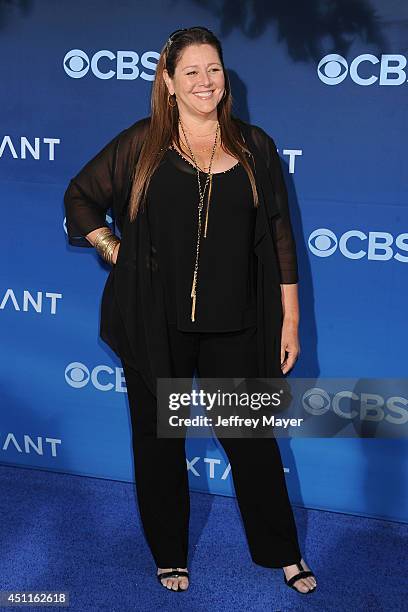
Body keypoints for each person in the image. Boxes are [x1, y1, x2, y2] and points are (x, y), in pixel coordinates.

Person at [64, 26, 317, 595]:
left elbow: (279, 235)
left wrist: (291, 319)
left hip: (237, 324)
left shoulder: (256, 147)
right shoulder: (142, 144)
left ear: (225, 77)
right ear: (169, 83)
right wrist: (113, 248)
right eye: (192, 72)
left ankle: (284, 552)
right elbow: (79, 196)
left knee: (250, 440)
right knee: (159, 444)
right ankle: (169, 554)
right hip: (155, 323)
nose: (205, 81)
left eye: (214, 69)